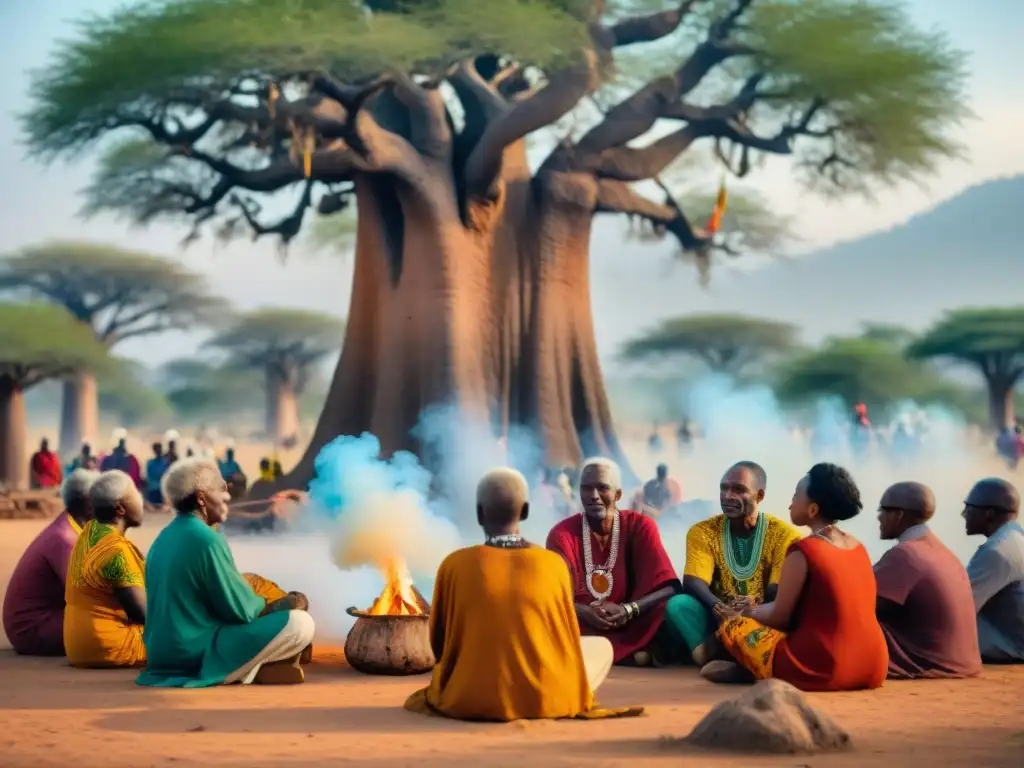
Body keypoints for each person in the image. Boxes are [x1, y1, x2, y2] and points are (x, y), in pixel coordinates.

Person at [405, 468, 641, 721]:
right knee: (601, 647)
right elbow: (567, 641)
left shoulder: (454, 564)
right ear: (526, 512)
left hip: (468, 697)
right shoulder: (552, 564)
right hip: (544, 699)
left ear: (479, 513)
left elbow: (438, 642)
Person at [137, 458, 315, 687]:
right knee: (300, 623)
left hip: (162, 657)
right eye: (221, 489)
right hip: (195, 654)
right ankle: (248, 668)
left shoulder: (162, 538)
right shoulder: (206, 539)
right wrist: (279, 606)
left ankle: (258, 667)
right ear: (201, 498)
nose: (227, 497)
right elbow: (239, 610)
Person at [711, 463, 888, 691]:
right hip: (874, 666)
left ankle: (747, 667)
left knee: (732, 626)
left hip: (824, 669)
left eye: (795, 497)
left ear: (813, 510)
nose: (790, 504)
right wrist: (754, 606)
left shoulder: (804, 551)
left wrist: (743, 612)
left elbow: (779, 617)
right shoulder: (858, 547)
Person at [663, 462, 802, 667]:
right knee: (678, 605)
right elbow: (693, 581)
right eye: (723, 488)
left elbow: (776, 590)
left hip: (761, 618)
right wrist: (719, 607)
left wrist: (749, 610)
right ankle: (723, 651)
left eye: (739, 489)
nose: (728, 496)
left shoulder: (785, 535)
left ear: (760, 495)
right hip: (716, 617)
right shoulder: (702, 531)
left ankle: (719, 652)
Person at [546, 457, 680, 666]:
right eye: (586, 488)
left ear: (618, 494)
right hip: (581, 624)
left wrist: (629, 609)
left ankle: (621, 651)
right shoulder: (562, 534)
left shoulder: (640, 525)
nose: (593, 496)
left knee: (669, 608)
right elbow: (552, 595)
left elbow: (669, 587)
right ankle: (633, 654)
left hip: (632, 622)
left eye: (602, 488)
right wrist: (583, 611)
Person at [874, 482, 981, 679]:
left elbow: (863, 606)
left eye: (882, 510)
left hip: (928, 664)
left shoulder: (905, 554)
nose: (878, 517)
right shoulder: (941, 550)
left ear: (898, 515)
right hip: (962, 662)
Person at [2, 469, 99, 655]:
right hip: (32, 628)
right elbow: (86, 592)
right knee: (115, 626)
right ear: (88, 503)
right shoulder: (65, 539)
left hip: (46, 619)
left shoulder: (74, 529)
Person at [64, 470, 148, 668]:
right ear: (120, 508)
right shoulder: (116, 551)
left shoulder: (88, 533)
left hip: (77, 647)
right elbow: (143, 615)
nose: (141, 499)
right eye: (135, 493)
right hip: (109, 646)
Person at [963, 478, 1024, 663]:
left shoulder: (996, 551)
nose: (963, 514)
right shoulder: (1014, 538)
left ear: (989, 513)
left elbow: (958, 608)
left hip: (1012, 647)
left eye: (969, 508)